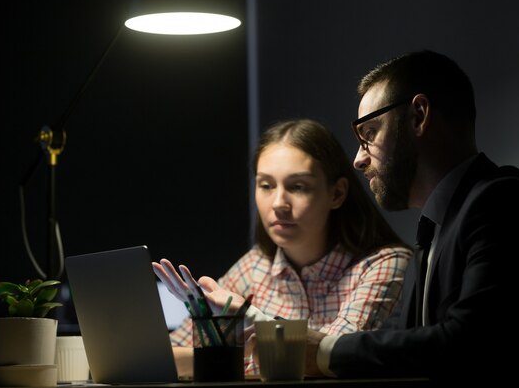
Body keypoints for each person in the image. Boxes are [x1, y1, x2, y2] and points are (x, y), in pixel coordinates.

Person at [304, 50, 519, 384]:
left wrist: (326, 351)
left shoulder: (503, 204)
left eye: (369, 133)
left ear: (418, 116)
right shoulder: (434, 229)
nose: (358, 159)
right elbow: (410, 350)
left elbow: (467, 344)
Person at [153, 118, 412, 377]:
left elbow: (331, 358)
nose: (278, 203)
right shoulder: (255, 266)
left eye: (298, 186)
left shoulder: (384, 263)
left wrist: (247, 318)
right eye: (266, 185)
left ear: (337, 194)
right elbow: (170, 352)